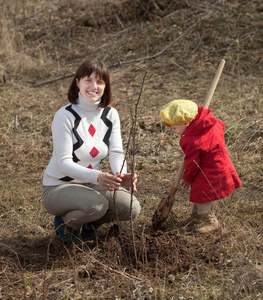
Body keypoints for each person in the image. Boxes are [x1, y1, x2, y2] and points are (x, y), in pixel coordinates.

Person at [42, 59, 141, 243]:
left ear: (106, 86)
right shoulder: (65, 115)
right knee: (97, 206)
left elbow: (116, 151)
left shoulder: (110, 114)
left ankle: (90, 225)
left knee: (131, 208)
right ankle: (66, 223)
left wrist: (121, 173)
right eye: (88, 80)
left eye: (100, 81)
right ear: (77, 83)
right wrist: (97, 176)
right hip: (58, 186)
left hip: (91, 185)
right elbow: (64, 163)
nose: (94, 86)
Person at [160, 99, 242, 233]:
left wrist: (187, 178)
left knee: (202, 193)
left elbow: (192, 163)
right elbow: (221, 125)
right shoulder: (210, 123)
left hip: (209, 170)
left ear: (187, 122)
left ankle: (210, 220)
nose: (173, 131)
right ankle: (197, 215)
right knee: (199, 192)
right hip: (220, 163)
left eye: (174, 128)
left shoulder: (192, 140)